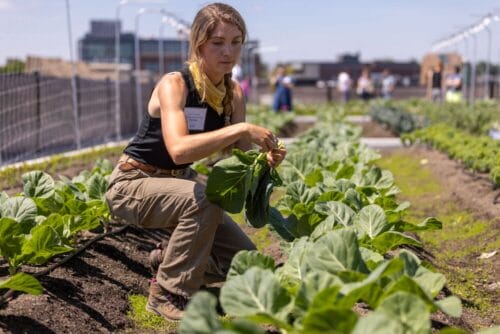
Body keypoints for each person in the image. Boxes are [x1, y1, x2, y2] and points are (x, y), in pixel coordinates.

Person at [104, 3, 286, 321]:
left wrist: (265, 160)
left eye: (236, 42)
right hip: (133, 183)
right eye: (217, 42)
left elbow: (239, 156)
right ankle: (165, 294)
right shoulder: (175, 85)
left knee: (247, 262)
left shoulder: (232, 93)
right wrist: (241, 128)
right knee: (203, 201)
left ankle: (166, 259)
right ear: (198, 43)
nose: (228, 51)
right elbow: (178, 151)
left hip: (179, 186)